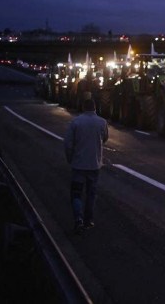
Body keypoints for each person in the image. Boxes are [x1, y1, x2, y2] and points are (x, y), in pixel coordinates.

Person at [64, 98, 109, 234]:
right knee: (91, 194)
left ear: (83, 107)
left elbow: (68, 144)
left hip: (78, 164)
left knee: (76, 193)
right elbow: (105, 138)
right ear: (95, 108)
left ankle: (78, 219)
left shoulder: (75, 122)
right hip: (94, 165)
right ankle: (89, 220)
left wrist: (70, 159)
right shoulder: (102, 122)